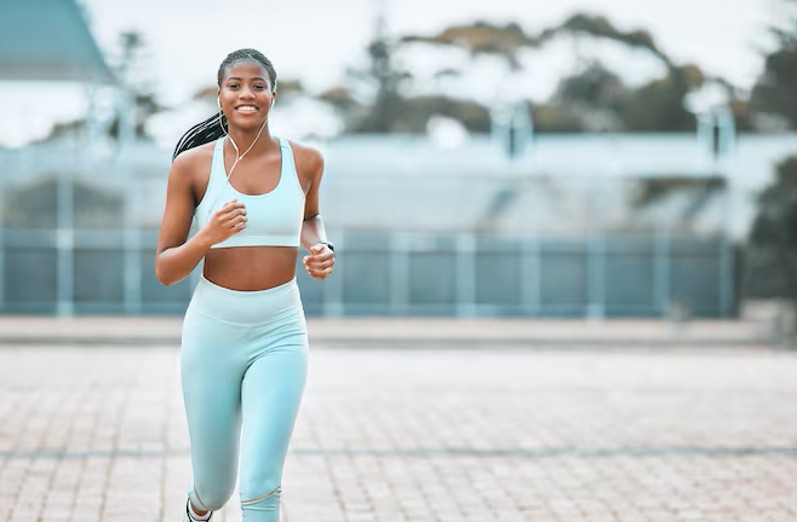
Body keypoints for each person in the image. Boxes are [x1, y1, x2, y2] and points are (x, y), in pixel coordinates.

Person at [155, 48, 335, 522]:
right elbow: (166, 269)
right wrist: (208, 236)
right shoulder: (191, 168)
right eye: (235, 85)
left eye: (258, 85)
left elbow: (309, 217)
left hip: (280, 330)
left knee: (260, 483)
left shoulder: (308, 161)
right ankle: (199, 509)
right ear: (220, 96)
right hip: (213, 333)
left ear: (273, 95)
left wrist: (320, 247)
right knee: (216, 488)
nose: (246, 94)